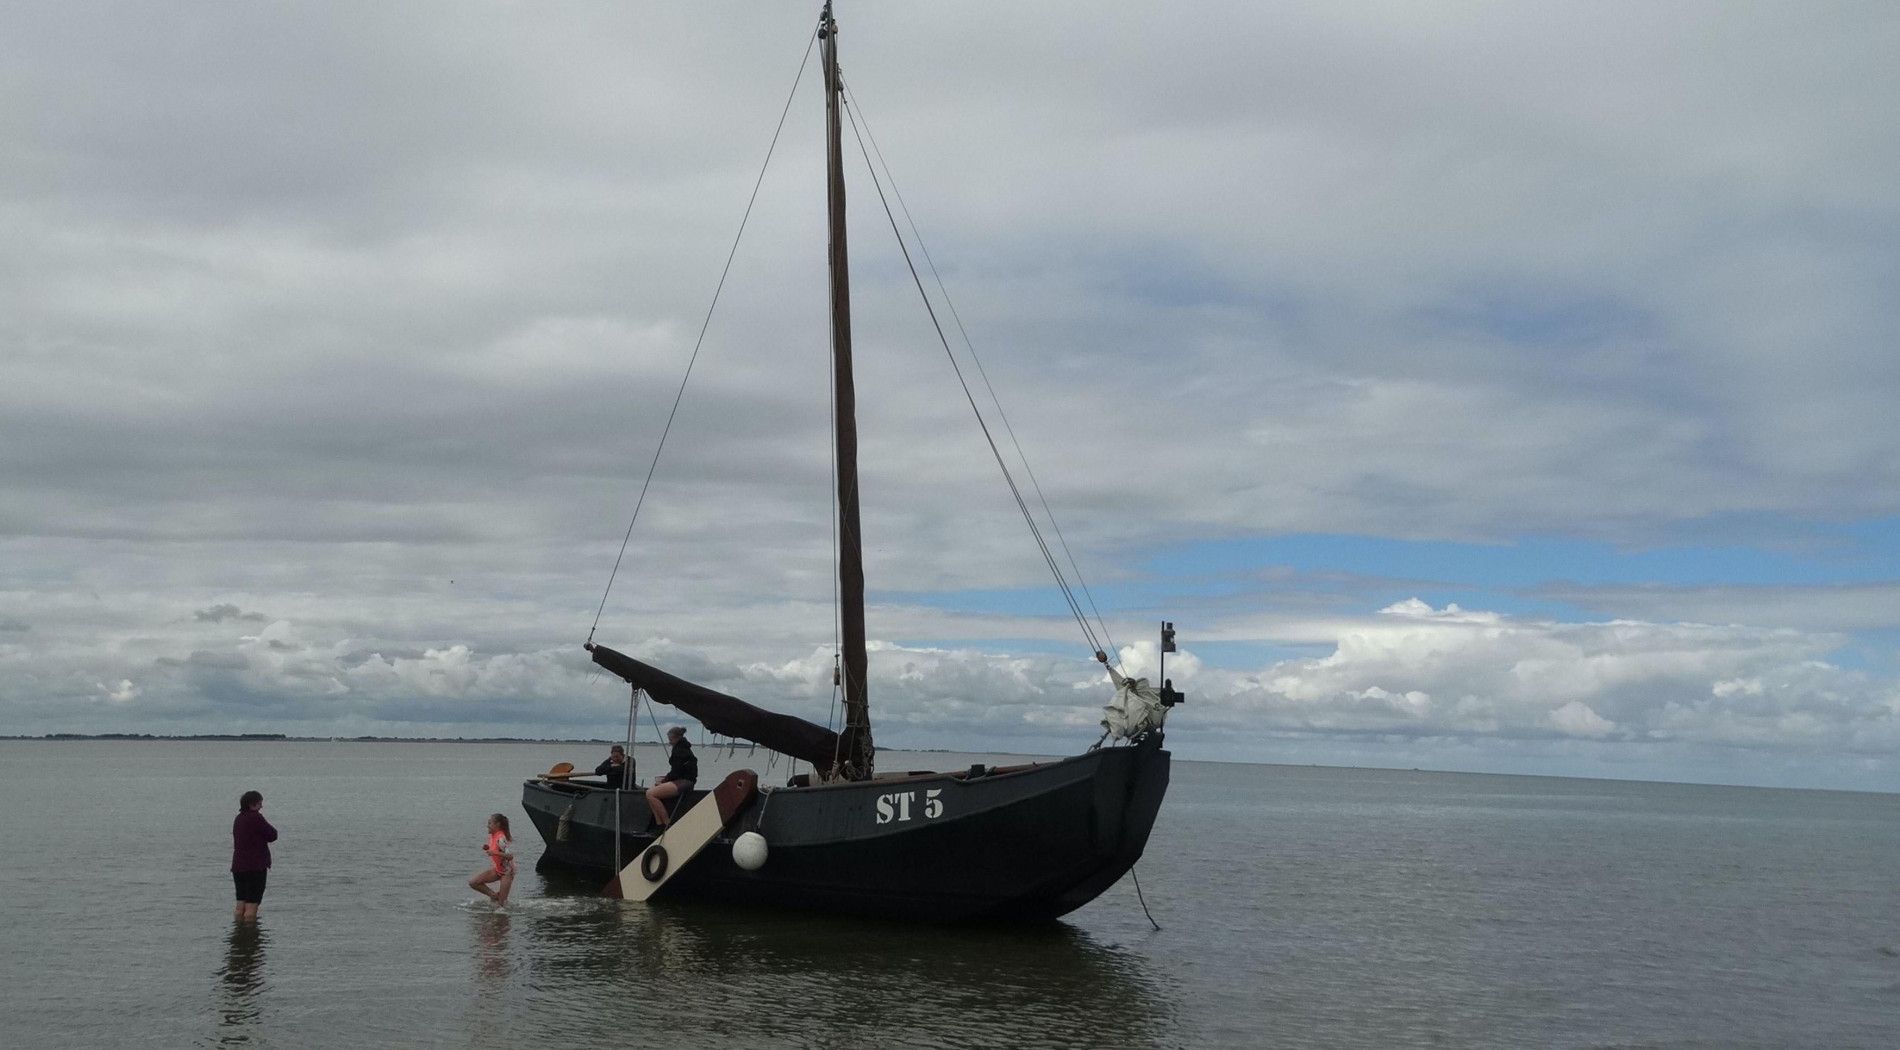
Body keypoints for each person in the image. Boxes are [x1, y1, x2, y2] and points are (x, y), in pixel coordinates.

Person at [231, 790, 277, 922]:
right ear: (253, 804)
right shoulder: (256, 817)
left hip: (238, 867)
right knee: (252, 905)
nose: (261, 806)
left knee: (240, 904)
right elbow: (272, 835)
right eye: (260, 803)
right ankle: (250, 937)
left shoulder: (239, 818)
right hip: (255, 866)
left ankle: (238, 932)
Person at [646, 726, 698, 828]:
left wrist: (664, 780)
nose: (669, 742)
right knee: (652, 791)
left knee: (650, 794)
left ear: (676, 738)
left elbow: (676, 772)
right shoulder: (684, 748)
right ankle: (659, 823)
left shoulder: (679, 750)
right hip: (687, 780)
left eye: (670, 740)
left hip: (684, 782)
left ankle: (666, 823)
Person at [468, 813, 516, 907]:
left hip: (507, 872)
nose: (487, 826)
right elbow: (496, 849)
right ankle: (493, 895)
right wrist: (488, 847)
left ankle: (501, 918)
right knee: (473, 883)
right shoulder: (493, 835)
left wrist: (494, 853)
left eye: (490, 823)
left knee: (501, 905)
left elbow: (510, 856)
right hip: (498, 869)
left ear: (497, 825)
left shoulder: (501, 838)